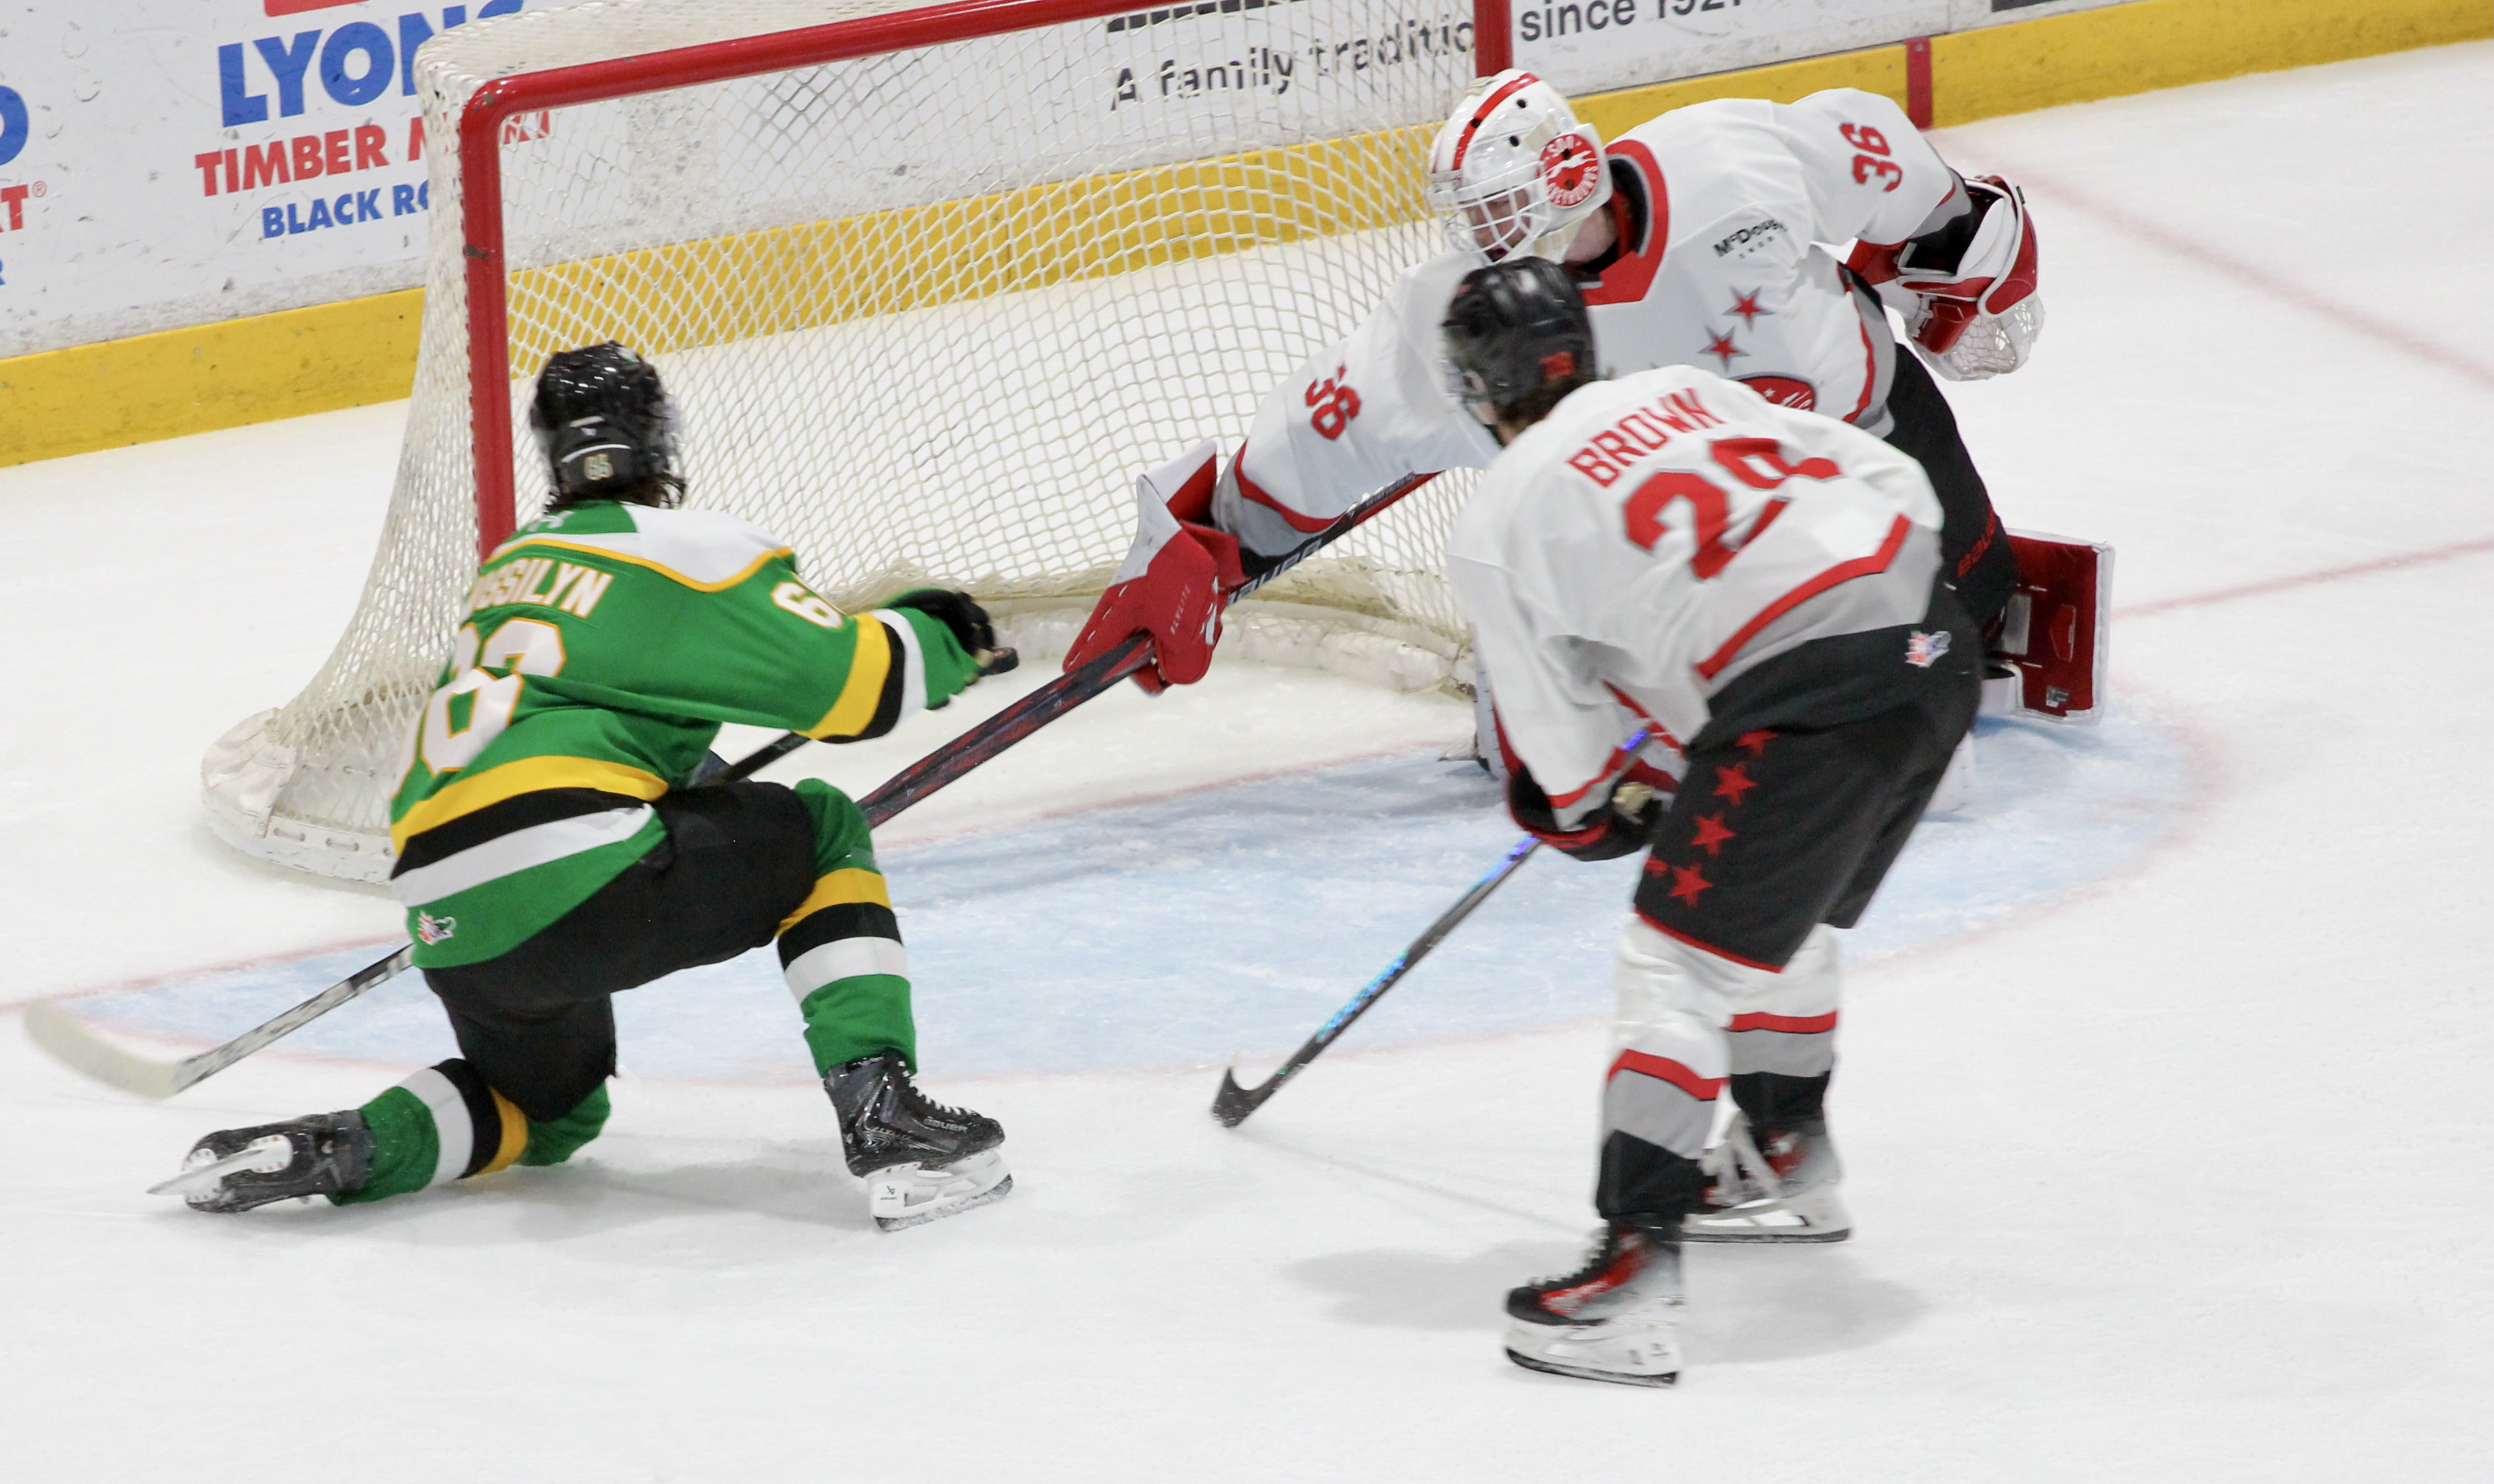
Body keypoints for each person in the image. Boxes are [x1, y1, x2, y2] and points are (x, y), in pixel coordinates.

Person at [160, 343, 1015, 1231]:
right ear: (659, 442)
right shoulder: (686, 548)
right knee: (823, 827)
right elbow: (856, 689)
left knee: (551, 1110)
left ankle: (335, 1147)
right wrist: (948, 634)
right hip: (579, 864)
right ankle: (886, 1117)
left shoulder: (508, 574)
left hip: (444, 913)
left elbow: (583, 729)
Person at [1437, 259, 1980, 1387]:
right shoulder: (1687, 391)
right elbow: (1881, 473)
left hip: (1802, 701)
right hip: (1931, 643)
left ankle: (1631, 1277)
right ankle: (1788, 1155)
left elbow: (1574, 778)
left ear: (1481, 388)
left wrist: (1594, 806)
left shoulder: (1499, 511)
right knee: (1784, 920)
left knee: (1672, 966)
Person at [1065, 69, 2037, 694]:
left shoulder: (1727, 161)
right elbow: (1328, 431)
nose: (1479, 240)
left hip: (1867, 442)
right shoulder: (1466, 322)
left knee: (1964, 620)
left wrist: (1964, 255)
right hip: (1690, 542)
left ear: (1567, 171)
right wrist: (1202, 550)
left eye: (1494, 209)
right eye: (1469, 218)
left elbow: (1888, 165)